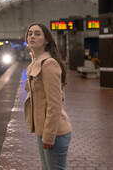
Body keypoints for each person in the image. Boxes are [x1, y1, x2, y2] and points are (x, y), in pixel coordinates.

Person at [24, 23, 72, 170]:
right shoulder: (35, 62)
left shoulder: (49, 64)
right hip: (42, 128)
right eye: (30, 33)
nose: (32, 36)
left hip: (55, 132)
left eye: (37, 34)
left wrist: (49, 135)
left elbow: (55, 104)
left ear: (46, 40)